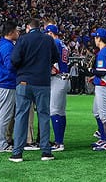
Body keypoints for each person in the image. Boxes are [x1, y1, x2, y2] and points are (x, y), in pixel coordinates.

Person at [9, 18, 59, 162]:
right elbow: (55, 57)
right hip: (42, 82)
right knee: (44, 115)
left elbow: (14, 59)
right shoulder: (48, 40)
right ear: (40, 27)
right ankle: (46, 152)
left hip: (24, 81)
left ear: (28, 27)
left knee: (21, 116)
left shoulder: (23, 39)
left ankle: (17, 153)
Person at [0, 22, 19, 153]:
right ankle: (1, 144)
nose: (18, 33)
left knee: (0, 114)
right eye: (16, 31)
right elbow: (10, 65)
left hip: (0, 82)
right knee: (4, 114)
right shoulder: (8, 46)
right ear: (11, 32)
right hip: (6, 82)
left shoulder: (2, 44)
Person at [45, 24, 70, 152]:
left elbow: (53, 66)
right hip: (64, 78)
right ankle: (60, 141)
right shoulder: (63, 44)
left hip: (58, 78)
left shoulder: (54, 43)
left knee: (54, 111)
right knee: (60, 111)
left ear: (50, 33)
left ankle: (59, 143)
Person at [90, 28, 106, 151]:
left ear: (99, 38)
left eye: (95, 37)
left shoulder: (103, 52)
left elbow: (102, 72)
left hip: (104, 87)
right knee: (96, 111)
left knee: (104, 115)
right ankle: (103, 138)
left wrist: (90, 70)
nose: (94, 39)